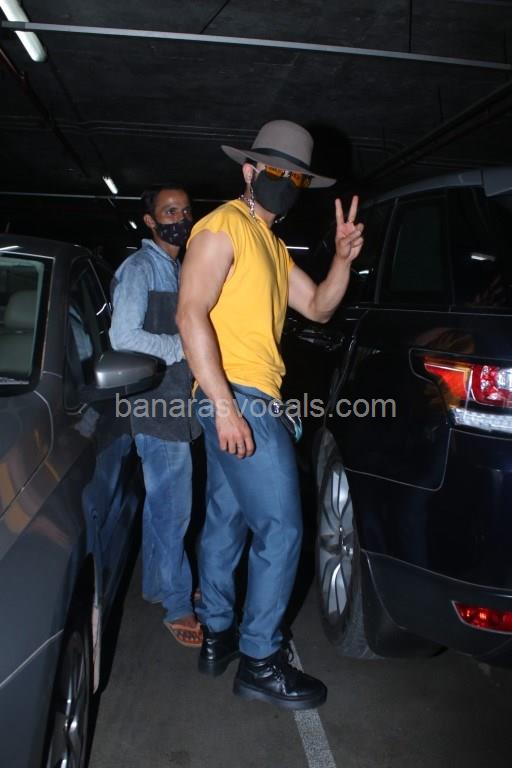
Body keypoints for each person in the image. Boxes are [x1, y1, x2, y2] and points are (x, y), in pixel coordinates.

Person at [176, 120, 364, 707]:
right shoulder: (222, 227)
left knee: (226, 521)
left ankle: (220, 635)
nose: (286, 183)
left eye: (297, 178)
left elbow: (320, 307)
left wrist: (342, 259)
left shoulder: (273, 248)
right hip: (239, 397)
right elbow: (189, 314)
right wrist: (226, 408)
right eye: (276, 171)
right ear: (249, 171)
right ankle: (260, 659)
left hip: (244, 399)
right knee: (282, 530)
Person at [109, 185, 202, 647]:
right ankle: (178, 604)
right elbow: (123, 336)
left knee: (162, 504)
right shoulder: (140, 268)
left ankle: (159, 584)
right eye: (169, 211)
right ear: (150, 221)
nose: (180, 218)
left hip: (177, 402)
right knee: (173, 507)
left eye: (185, 210)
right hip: (155, 403)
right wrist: (181, 348)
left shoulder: (179, 269)